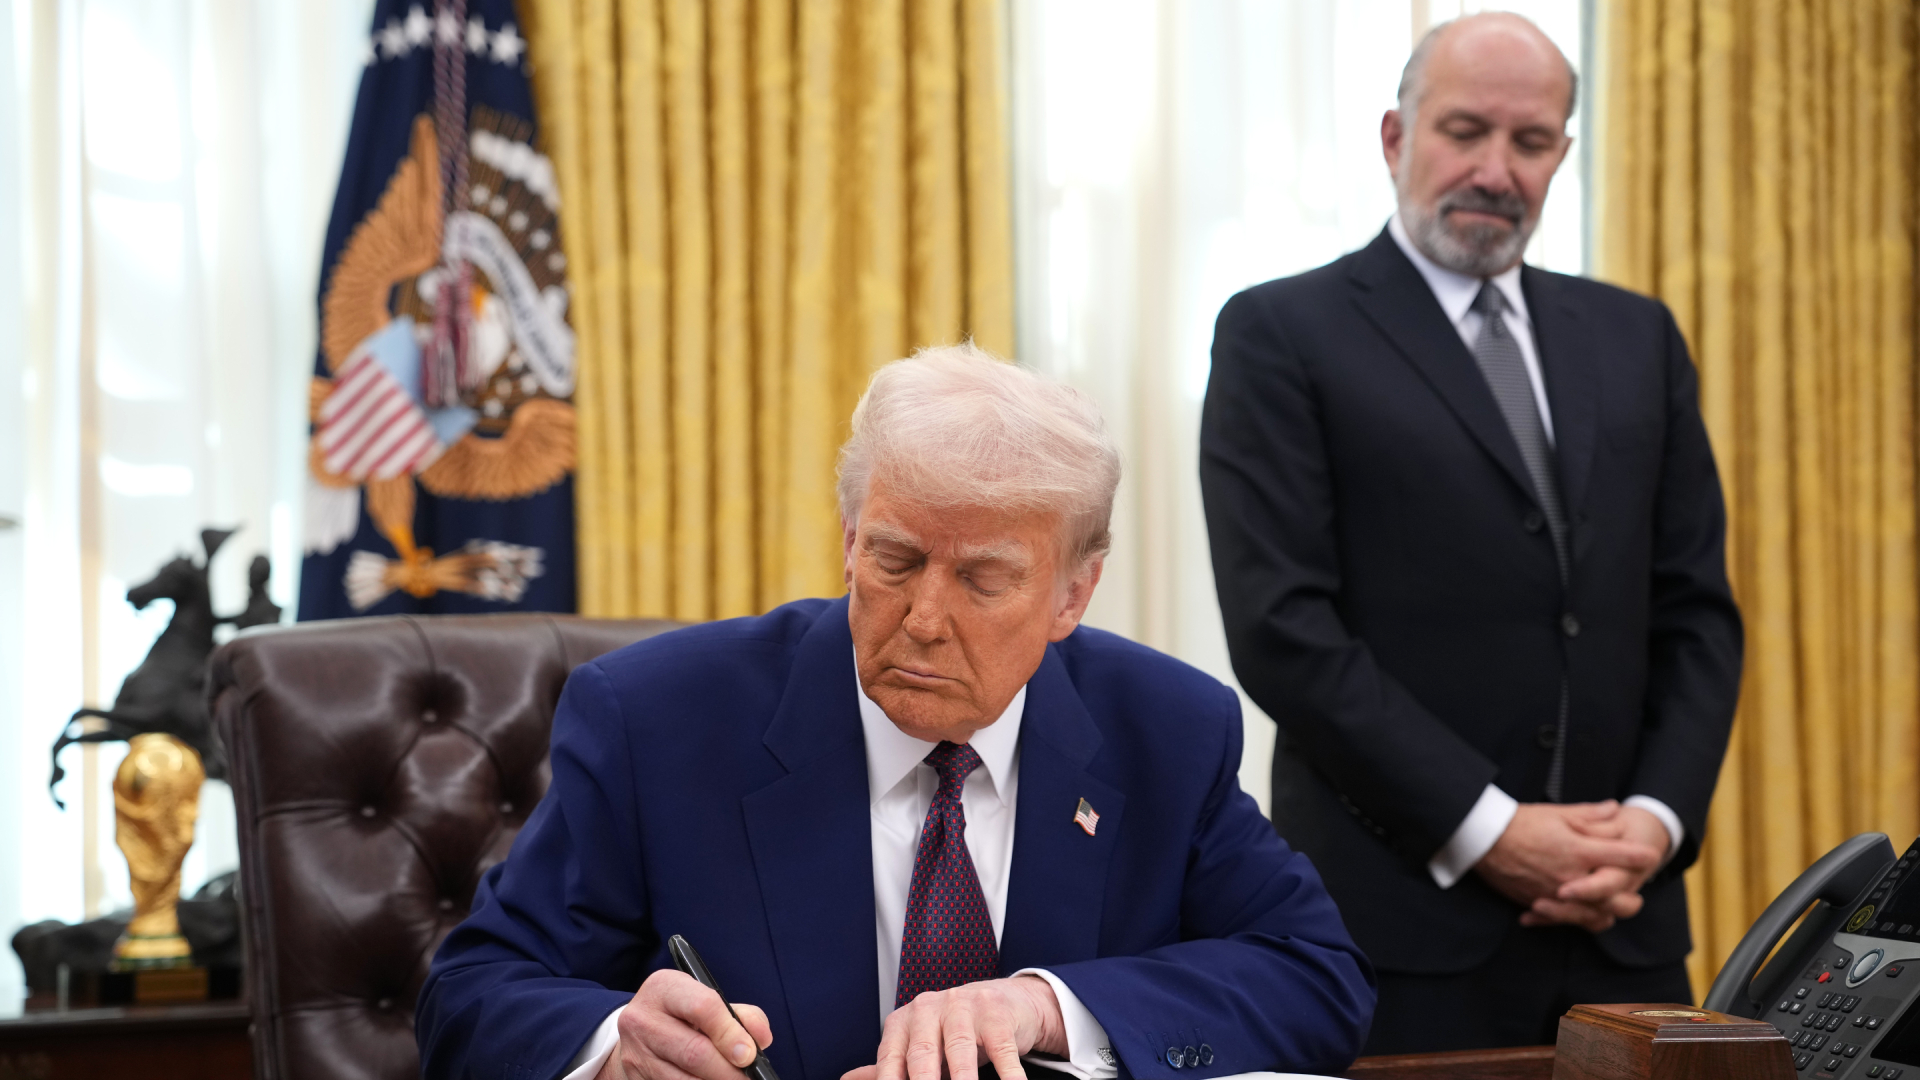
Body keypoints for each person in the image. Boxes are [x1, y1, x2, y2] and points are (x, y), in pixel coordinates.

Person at [419, 344, 1375, 1080]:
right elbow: (470, 997)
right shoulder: (656, 720)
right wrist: (614, 1045)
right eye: (895, 560)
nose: (923, 619)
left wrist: (1048, 1008)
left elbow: (1315, 977)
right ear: (847, 543)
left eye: (984, 579)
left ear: (1072, 596)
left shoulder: (1165, 728)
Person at [1198, 12, 1743, 1055]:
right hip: (1395, 930)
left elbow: (1697, 613)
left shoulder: (1639, 338)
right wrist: (1491, 829)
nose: (1496, 169)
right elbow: (1284, 629)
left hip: (1625, 928)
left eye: (1531, 142)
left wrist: (1656, 825)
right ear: (1396, 138)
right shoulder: (1279, 334)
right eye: (1464, 131)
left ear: (1562, 157)